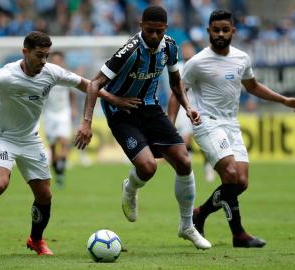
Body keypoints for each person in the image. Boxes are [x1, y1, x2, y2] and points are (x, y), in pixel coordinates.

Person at [0, 31, 140, 256]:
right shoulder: (6, 76)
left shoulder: (51, 72)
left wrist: (113, 99)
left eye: (47, 56)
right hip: (2, 136)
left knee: (45, 196)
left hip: (29, 140)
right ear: (25, 52)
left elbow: (86, 84)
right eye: (39, 56)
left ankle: (36, 240)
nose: (43, 61)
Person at [74, 6, 211, 250]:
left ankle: (187, 226)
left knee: (184, 161)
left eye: (159, 31)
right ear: (141, 25)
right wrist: (86, 121)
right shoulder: (128, 51)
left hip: (150, 108)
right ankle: (130, 187)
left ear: (165, 29)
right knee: (148, 168)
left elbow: (176, 83)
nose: (155, 36)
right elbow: (94, 83)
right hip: (121, 113)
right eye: (150, 31)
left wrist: (188, 107)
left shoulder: (169, 46)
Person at [168, 9, 295, 248]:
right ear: (208, 32)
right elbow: (177, 90)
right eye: (215, 30)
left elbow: (252, 86)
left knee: (240, 182)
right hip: (207, 122)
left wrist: (284, 100)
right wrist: (171, 126)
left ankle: (199, 214)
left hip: (231, 123)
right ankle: (239, 234)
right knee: (230, 174)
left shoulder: (241, 58)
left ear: (233, 31)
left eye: (225, 29)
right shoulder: (198, 62)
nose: (220, 34)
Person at [173, 41, 215, 182]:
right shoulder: (177, 67)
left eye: (188, 49)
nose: (186, 52)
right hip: (182, 107)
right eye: (184, 50)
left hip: (199, 107)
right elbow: (172, 89)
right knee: (185, 138)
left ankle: (208, 166)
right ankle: (187, 169)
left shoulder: (199, 66)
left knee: (205, 140)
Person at [41, 51, 77, 187]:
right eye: (54, 60)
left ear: (62, 61)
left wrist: (73, 108)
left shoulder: (67, 75)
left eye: (58, 60)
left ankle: (61, 169)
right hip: (49, 114)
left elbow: (72, 93)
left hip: (63, 113)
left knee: (64, 142)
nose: (56, 62)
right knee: (52, 148)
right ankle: (58, 173)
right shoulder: (44, 76)